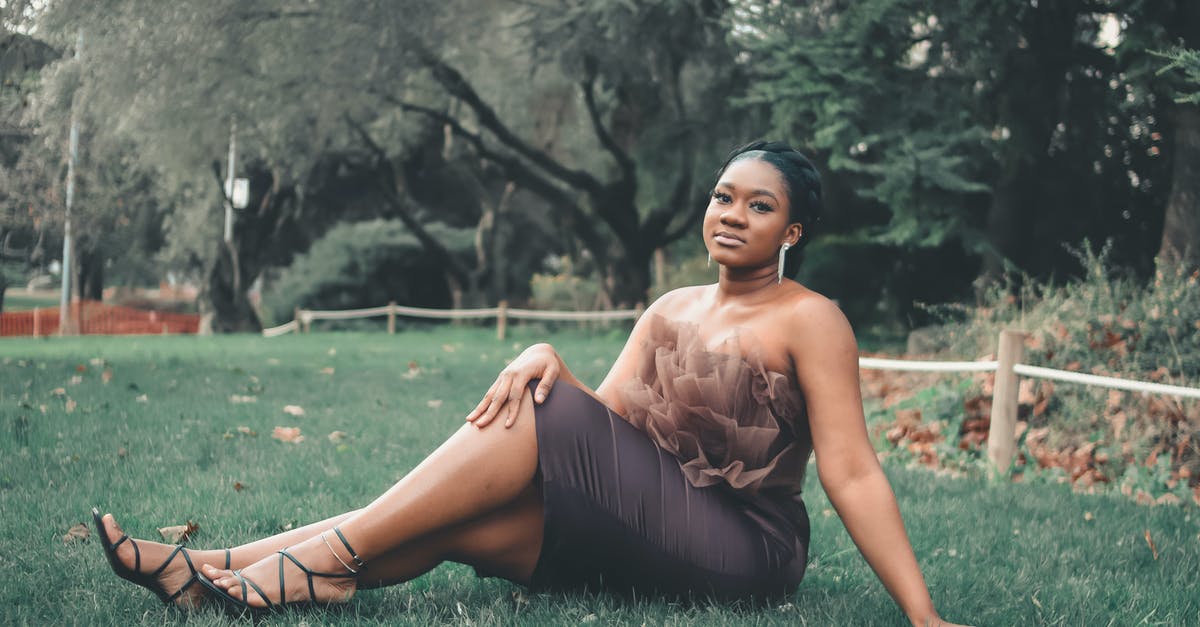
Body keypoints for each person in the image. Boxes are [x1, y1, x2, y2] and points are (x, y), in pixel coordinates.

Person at [94, 140, 963, 625]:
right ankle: (205, 570)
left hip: (745, 550)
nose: (732, 215)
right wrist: (552, 358)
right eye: (723, 195)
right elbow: (610, 420)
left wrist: (922, 619)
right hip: (656, 525)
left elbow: (850, 471)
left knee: (537, 403)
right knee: (456, 518)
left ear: (793, 230)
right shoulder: (670, 306)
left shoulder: (812, 319)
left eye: (758, 206)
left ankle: (323, 561)